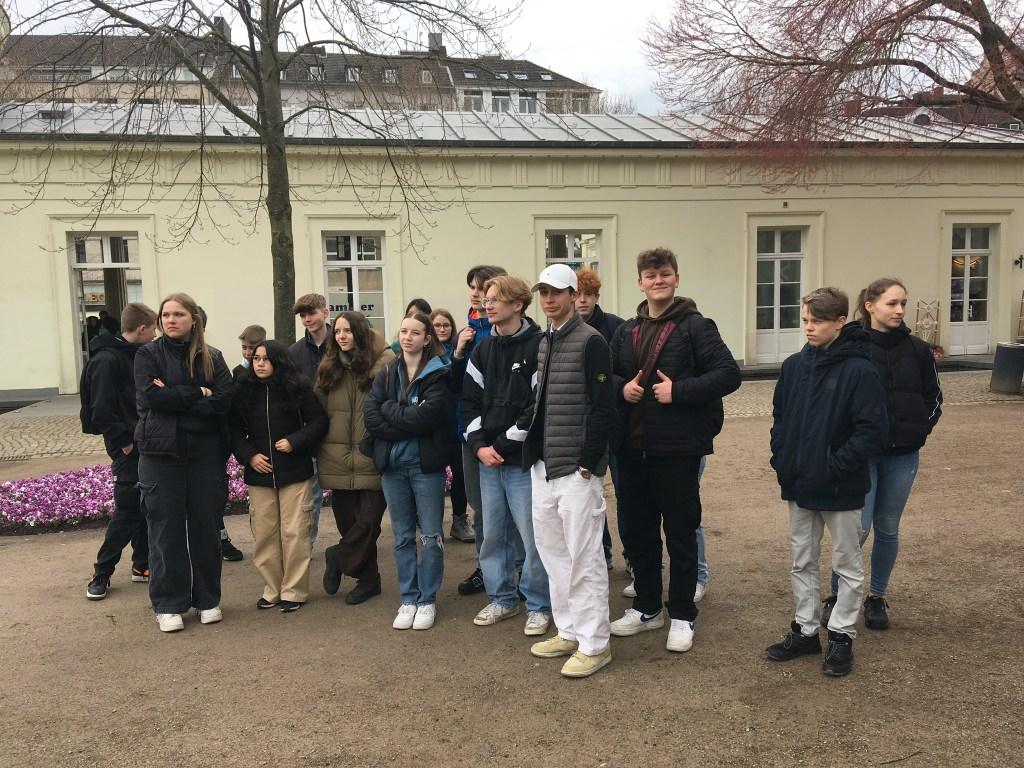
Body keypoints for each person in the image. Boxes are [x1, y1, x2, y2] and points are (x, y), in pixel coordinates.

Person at [608, 248, 741, 655]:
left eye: (665, 274)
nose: (658, 281)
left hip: (677, 449)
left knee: (681, 533)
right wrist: (621, 388)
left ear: (676, 279)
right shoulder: (626, 330)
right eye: (650, 275)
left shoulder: (695, 326)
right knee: (639, 533)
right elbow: (606, 375)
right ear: (640, 282)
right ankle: (648, 608)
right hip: (631, 449)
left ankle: (682, 614)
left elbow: (728, 374)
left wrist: (678, 391)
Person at [765, 287, 888, 677]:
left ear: (840, 322)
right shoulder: (793, 366)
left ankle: (841, 635)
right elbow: (780, 416)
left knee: (846, 564)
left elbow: (872, 431)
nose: (809, 327)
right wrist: (782, 456)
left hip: (840, 486)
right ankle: (805, 630)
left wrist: (834, 466)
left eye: (817, 321)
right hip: (799, 482)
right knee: (802, 560)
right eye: (805, 320)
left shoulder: (860, 370)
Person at [821, 278, 943, 631]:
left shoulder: (918, 350)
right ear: (870, 305)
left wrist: (918, 429)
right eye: (892, 303)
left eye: (903, 303)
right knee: (857, 530)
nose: (900, 310)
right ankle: (838, 596)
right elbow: (832, 398)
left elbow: (933, 397)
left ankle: (876, 596)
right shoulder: (848, 346)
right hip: (862, 455)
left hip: (903, 455)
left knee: (888, 528)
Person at [522, 264, 616, 678]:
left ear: (573, 295)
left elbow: (604, 408)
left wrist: (588, 463)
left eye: (556, 292)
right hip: (543, 467)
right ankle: (570, 630)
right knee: (554, 555)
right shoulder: (546, 341)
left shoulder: (591, 341)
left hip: (577, 470)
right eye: (543, 292)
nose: (549, 299)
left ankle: (595, 644)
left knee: (585, 558)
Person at [134, 292, 233, 633]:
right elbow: (152, 398)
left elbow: (224, 400)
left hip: (205, 453)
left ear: (194, 319)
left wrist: (176, 397)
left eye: (178, 314)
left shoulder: (212, 356)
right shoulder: (147, 355)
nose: (171, 320)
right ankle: (168, 604)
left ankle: (208, 599)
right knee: (166, 530)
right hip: (160, 454)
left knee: (206, 528)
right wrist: (199, 392)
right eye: (166, 315)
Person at [461, 275, 551, 636]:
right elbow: (468, 402)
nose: (488, 304)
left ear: (517, 304)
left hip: (521, 461)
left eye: (495, 299)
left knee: (532, 537)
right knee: (493, 534)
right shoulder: (482, 349)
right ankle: (502, 599)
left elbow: (536, 408)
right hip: (487, 460)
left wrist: (500, 446)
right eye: (487, 299)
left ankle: (538, 604)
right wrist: (479, 447)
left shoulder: (540, 346)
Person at [363, 313, 450, 631]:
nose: (408, 337)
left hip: (425, 469)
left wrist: (391, 410)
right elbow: (372, 418)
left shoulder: (438, 374)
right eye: (403, 331)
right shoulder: (386, 372)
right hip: (393, 469)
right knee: (401, 537)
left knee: (430, 535)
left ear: (427, 339)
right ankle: (409, 598)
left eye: (415, 332)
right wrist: (405, 415)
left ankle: (427, 599)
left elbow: (426, 419)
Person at [231, 341, 327, 612]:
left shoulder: (299, 388)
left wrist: (295, 441)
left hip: (294, 472)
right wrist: (249, 456)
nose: (259, 363)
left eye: (266, 359)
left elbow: (319, 422)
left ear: (279, 361)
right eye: (256, 359)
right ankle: (272, 590)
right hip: (259, 474)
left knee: (295, 533)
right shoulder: (243, 391)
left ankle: (294, 591)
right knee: (264, 535)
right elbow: (233, 431)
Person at [316, 311, 395, 605]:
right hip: (337, 457)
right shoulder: (329, 367)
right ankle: (369, 580)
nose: (341, 336)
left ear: (361, 333)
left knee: (368, 522)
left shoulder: (385, 367)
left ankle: (338, 555)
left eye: (347, 330)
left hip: (371, 455)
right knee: (349, 525)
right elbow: (318, 411)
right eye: (337, 331)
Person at [85, 302, 158, 600]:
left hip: (140, 440)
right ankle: (102, 572)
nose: (155, 334)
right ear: (141, 329)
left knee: (143, 503)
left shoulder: (132, 354)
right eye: (153, 328)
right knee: (128, 507)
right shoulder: (107, 359)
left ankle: (142, 564)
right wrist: (125, 442)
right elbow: (101, 409)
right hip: (127, 446)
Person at [452, 265, 513, 595]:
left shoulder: (506, 331)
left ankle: (516, 570)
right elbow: (457, 385)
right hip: (470, 432)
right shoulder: (467, 331)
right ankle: (485, 568)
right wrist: (458, 352)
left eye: (482, 289)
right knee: (478, 507)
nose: (476, 294)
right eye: (473, 288)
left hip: (505, 435)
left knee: (513, 510)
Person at [575, 267, 623, 571]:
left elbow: (623, 371)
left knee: (625, 494)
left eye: (588, 294)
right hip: (582, 427)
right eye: (578, 294)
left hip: (614, 424)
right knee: (588, 496)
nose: (582, 300)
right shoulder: (559, 329)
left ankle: (631, 556)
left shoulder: (616, 326)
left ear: (597, 296)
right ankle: (602, 551)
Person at [289, 293, 330, 546]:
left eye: (311, 313)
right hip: (311, 430)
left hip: (342, 426)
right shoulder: (294, 352)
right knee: (310, 495)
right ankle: (307, 546)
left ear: (325, 312)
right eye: (303, 315)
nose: (307, 319)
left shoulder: (342, 343)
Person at [430, 308, 473, 543]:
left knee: (460, 476)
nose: (442, 329)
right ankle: (431, 522)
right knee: (434, 478)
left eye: (446, 325)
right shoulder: (426, 353)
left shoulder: (461, 349)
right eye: (437, 325)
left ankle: (459, 520)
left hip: (457, 421)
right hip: (435, 425)